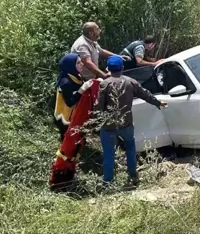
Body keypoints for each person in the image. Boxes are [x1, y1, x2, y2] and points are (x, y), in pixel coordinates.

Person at [95, 56, 167, 185]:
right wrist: (158, 102)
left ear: (108, 69)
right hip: (126, 123)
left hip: (108, 125)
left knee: (109, 153)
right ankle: (133, 175)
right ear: (122, 68)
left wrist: (96, 121)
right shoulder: (130, 82)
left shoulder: (104, 84)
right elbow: (145, 93)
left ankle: (108, 182)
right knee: (130, 148)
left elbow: (98, 106)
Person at [53, 53, 95, 140]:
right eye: (78, 63)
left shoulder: (75, 75)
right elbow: (70, 102)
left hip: (75, 112)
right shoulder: (66, 82)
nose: (82, 64)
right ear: (71, 66)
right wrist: (82, 89)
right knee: (67, 137)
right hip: (65, 116)